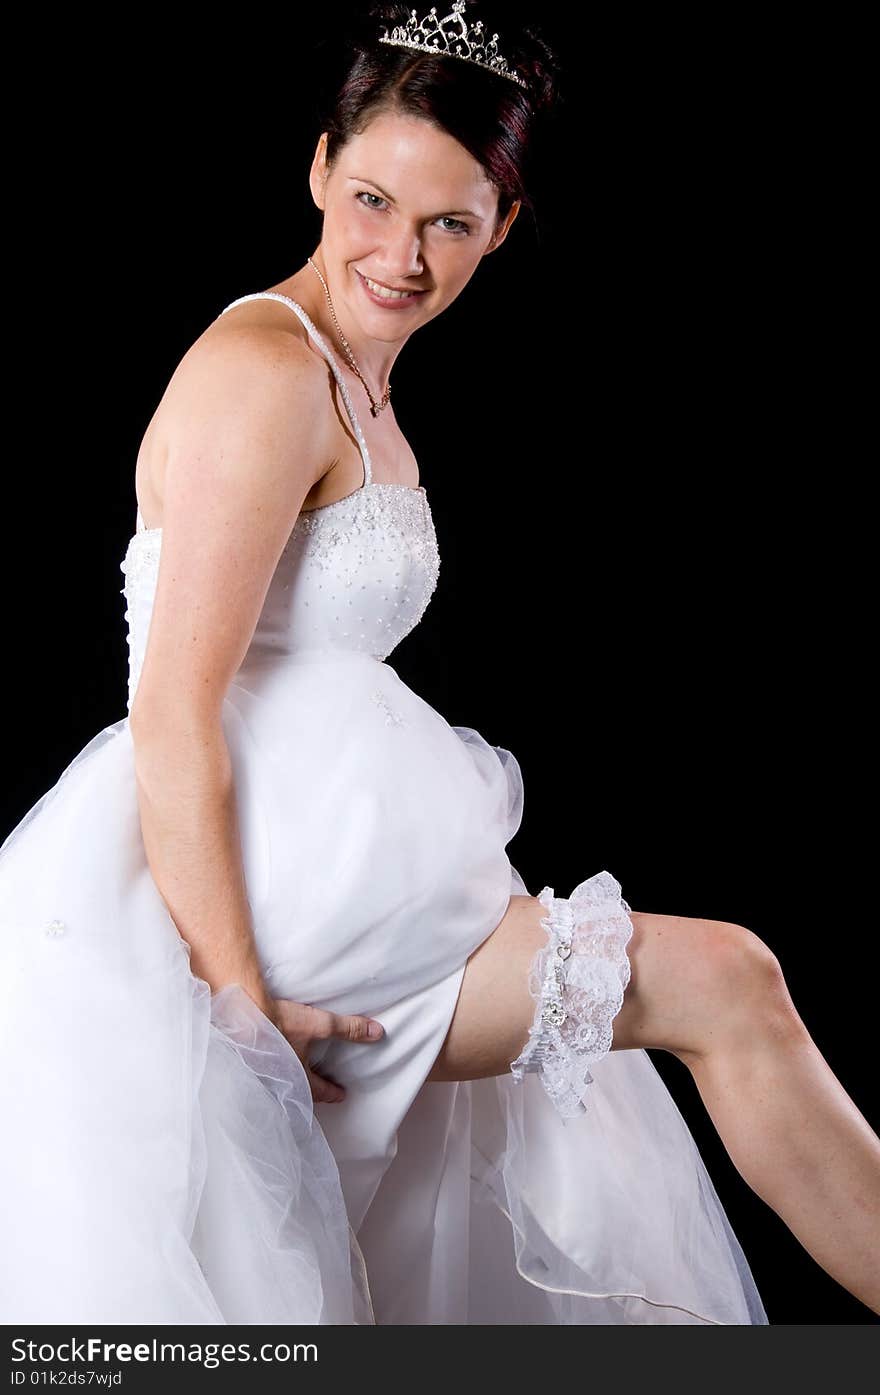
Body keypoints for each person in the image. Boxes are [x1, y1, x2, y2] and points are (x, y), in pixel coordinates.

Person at [1, 0, 878, 1326]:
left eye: (449, 224)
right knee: (729, 985)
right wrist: (245, 1021)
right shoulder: (265, 370)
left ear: (504, 227)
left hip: (338, 871)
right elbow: (175, 710)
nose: (398, 255)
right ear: (316, 170)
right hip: (244, 893)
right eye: (369, 200)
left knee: (712, 1000)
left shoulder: (359, 382)